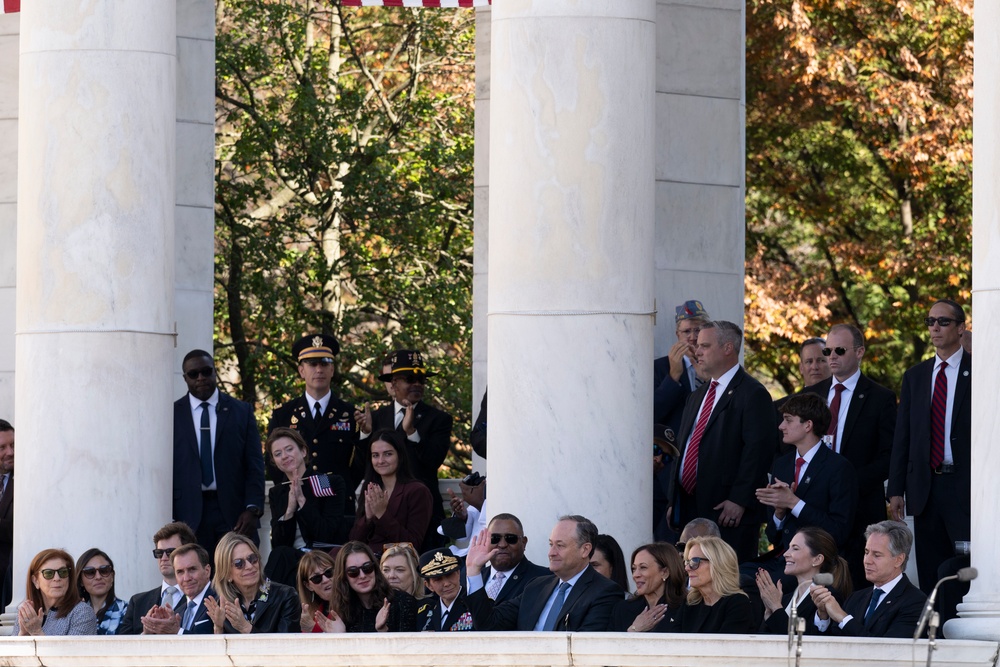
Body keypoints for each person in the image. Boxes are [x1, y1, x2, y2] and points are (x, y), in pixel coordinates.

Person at [800, 323, 896, 588]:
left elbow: (889, 455)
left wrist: (848, 482)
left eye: (839, 350)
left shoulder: (880, 398)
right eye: (828, 350)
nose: (831, 356)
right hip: (814, 505)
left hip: (860, 508)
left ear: (860, 352)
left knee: (855, 584)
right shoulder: (810, 396)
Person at [672, 320, 777, 561]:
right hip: (689, 506)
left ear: (728, 348)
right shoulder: (697, 395)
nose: (697, 351)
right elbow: (684, 446)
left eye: (705, 345)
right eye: (697, 345)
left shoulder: (753, 393)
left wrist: (740, 499)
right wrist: (673, 501)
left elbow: (759, 451)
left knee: (726, 579)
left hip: (727, 511)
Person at [889, 299, 971, 607]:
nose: (934, 327)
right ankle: (937, 630)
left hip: (966, 486)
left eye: (943, 322)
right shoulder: (916, 376)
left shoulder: (979, 371)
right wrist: (896, 488)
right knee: (930, 568)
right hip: (925, 486)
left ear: (961, 328)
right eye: (930, 322)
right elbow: (904, 436)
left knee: (964, 564)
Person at [754, 393, 857, 580]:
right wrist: (779, 512)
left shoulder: (839, 468)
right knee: (737, 578)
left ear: (808, 425)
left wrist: (794, 503)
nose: (781, 426)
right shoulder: (782, 464)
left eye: (788, 420)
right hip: (782, 561)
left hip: (818, 569)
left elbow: (839, 532)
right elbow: (772, 536)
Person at [173, 349, 266, 557]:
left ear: (215, 372)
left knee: (239, 578)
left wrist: (253, 509)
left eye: (206, 372)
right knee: (197, 581)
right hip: (189, 514)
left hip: (235, 513)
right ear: (185, 378)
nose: (201, 378)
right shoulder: (172, 415)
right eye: (193, 374)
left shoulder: (241, 411)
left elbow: (254, 465)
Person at [356, 350, 453, 546]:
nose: (416, 384)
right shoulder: (374, 418)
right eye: (409, 379)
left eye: (421, 379)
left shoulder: (439, 419)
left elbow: (433, 461)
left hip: (421, 515)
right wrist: (365, 434)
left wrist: (411, 433)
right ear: (393, 384)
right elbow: (361, 465)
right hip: (377, 514)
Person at [464, 515, 622, 631]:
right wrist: (473, 571)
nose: (551, 553)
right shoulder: (536, 587)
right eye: (551, 544)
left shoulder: (604, 592)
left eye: (560, 545)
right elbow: (489, 624)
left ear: (585, 549)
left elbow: (585, 648)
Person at [269, 334, 363, 512]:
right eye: (312, 364)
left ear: (332, 370)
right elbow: (273, 462)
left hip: (338, 505)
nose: (319, 369)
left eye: (324, 364)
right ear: (301, 371)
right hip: (296, 502)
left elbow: (359, 464)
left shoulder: (351, 413)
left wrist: (341, 488)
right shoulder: (284, 414)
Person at [265, 427, 350, 586]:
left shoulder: (327, 482)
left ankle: (262, 600)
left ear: (303, 451)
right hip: (293, 560)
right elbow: (278, 543)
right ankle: (265, 600)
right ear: (275, 462)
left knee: (280, 559)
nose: (284, 456)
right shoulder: (277, 492)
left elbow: (327, 533)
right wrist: (290, 510)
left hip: (323, 554)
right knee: (280, 555)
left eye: (289, 449)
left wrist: (302, 502)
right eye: (278, 454)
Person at [811, 520, 926, 637]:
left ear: (898, 559)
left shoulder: (916, 602)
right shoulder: (855, 598)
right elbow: (832, 643)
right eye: (866, 552)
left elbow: (888, 649)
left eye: (877, 555)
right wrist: (823, 616)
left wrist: (842, 617)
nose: (867, 561)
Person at [349, 429, 434, 554]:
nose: (381, 461)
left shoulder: (417, 491)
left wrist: (382, 514)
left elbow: (413, 545)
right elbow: (353, 542)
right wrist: (367, 518)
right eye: (375, 455)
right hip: (365, 561)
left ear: (400, 455)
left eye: (388, 454)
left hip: (397, 563)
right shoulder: (371, 488)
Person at [755, 527, 853, 635]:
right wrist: (769, 612)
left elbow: (803, 641)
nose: (786, 554)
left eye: (795, 548)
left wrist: (776, 607)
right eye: (789, 548)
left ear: (817, 559)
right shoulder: (785, 599)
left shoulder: (827, 597)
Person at [205, 532, 300, 633]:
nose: (250, 566)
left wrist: (245, 628)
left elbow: (285, 646)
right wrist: (218, 627)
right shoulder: (223, 605)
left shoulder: (286, 596)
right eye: (239, 563)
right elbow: (222, 648)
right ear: (227, 574)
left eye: (252, 558)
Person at [318, 541, 419, 632]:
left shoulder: (403, 601)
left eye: (367, 567)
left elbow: (407, 650)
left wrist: (383, 632)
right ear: (344, 576)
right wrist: (341, 638)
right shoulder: (340, 610)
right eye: (353, 571)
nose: (362, 576)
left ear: (375, 568)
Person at [117, 521, 198, 635]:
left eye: (170, 552)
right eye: (159, 553)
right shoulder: (138, 602)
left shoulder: (201, 599)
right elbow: (122, 647)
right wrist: (145, 635)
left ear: (188, 552)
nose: (164, 558)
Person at [671, 536, 755, 633]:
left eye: (695, 562)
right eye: (687, 562)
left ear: (717, 564)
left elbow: (724, 646)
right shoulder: (690, 602)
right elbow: (675, 642)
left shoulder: (738, 603)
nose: (687, 568)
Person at [653, 300, 710, 434]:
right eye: (686, 331)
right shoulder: (660, 367)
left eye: (698, 330)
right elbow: (653, 415)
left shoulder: (717, 365)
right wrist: (673, 377)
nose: (693, 337)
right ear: (677, 335)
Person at [13, 549, 97, 635]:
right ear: (35, 581)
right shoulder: (27, 613)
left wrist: (36, 632)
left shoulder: (82, 613)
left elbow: (74, 648)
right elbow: (11, 648)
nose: (57, 578)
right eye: (48, 573)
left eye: (63, 572)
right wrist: (23, 634)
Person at [141, 543, 217, 635]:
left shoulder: (221, 601)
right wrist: (149, 633)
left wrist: (177, 632)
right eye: (180, 572)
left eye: (192, 569)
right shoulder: (178, 612)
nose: (186, 578)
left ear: (207, 571)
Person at [608, 543, 686, 632]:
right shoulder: (622, 610)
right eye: (634, 568)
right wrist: (634, 630)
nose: (635, 575)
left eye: (643, 567)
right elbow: (610, 645)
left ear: (665, 572)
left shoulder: (685, 609)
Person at [478, 513, 550, 603]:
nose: (502, 545)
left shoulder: (544, 579)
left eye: (510, 538)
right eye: (495, 538)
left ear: (523, 543)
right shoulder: (472, 578)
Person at [418, 548, 473, 631]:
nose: (446, 583)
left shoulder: (475, 606)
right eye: (438, 579)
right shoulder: (424, 613)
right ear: (429, 585)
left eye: (450, 575)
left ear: (458, 573)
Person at [75, 548, 127, 635]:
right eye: (90, 572)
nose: (98, 577)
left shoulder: (128, 610)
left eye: (104, 570)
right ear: (81, 581)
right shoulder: (74, 613)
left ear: (112, 576)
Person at [297, 550, 338, 633]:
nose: (325, 580)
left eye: (329, 572)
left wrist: (313, 628)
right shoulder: (310, 615)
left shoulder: (349, 604)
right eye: (317, 578)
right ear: (308, 586)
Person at [0, 419, 14, 609]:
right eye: (2, 447)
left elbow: (19, 529)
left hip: (8, 583)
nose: (10, 452)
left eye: (13, 445)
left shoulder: (29, 477)